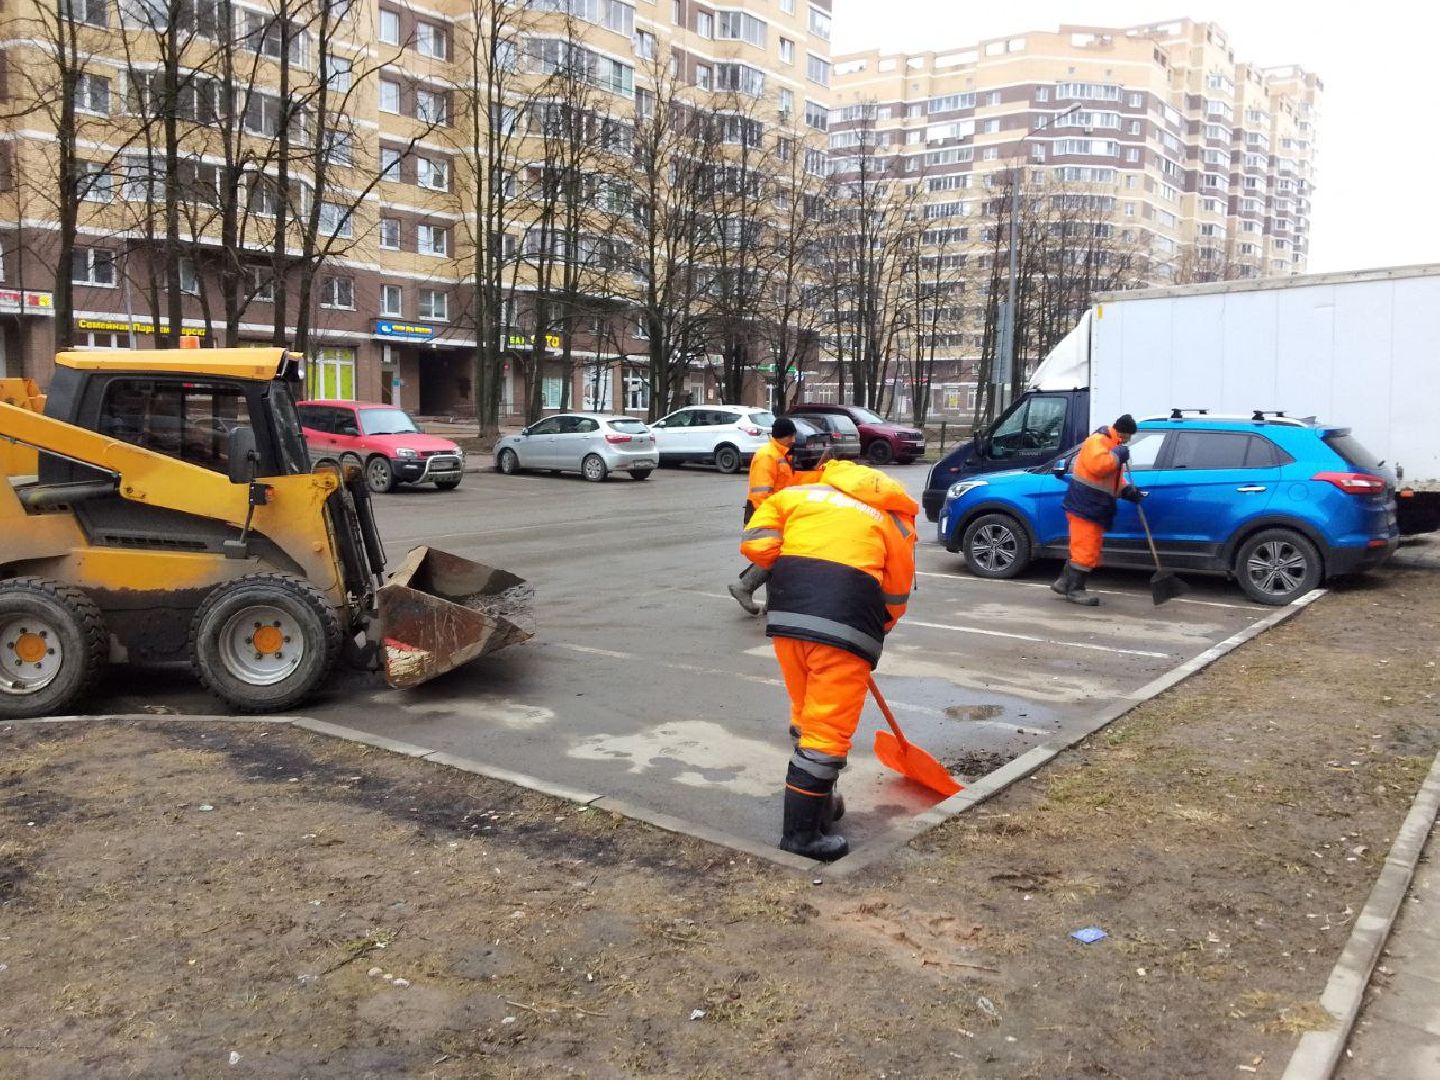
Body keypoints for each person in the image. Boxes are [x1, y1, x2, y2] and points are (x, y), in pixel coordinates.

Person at [740, 460, 919, 861]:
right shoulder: (895, 520)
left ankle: (821, 805)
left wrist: (792, 565)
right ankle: (801, 836)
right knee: (827, 733)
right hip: (846, 625)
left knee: (808, 714)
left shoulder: (802, 494)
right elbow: (895, 592)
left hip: (787, 619)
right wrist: (878, 628)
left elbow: (757, 542)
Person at [728, 417, 827, 615]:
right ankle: (744, 587)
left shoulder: (780, 454)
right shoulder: (767, 456)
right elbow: (761, 494)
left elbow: (789, 484)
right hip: (764, 515)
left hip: (773, 515)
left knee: (778, 558)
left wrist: (819, 474)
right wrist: (774, 518)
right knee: (773, 557)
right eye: (792, 436)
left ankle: (769, 602)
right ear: (787, 436)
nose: (794, 440)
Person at [1053, 413, 1146, 606]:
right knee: (1085, 549)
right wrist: (1117, 456)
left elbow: (1111, 480)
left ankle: (1063, 583)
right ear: (1122, 433)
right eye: (1129, 437)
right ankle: (1076, 590)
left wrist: (1127, 491)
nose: (1129, 441)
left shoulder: (1111, 446)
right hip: (1085, 504)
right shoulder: (1098, 441)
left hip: (1092, 505)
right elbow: (1099, 467)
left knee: (1086, 547)